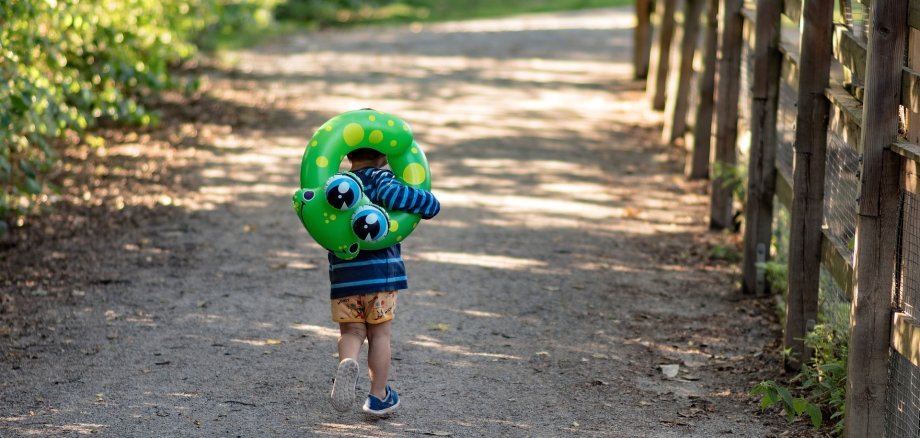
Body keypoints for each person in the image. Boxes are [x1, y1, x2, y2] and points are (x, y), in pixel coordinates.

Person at [327, 147, 440, 416]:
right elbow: (424, 206)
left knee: (352, 332)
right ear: (385, 155)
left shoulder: (336, 185)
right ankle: (378, 396)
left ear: (347, 154)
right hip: (380, 275)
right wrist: (431, 200)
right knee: (379, 335)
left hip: (344, 276)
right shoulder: (382, 179)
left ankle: (348, 362)